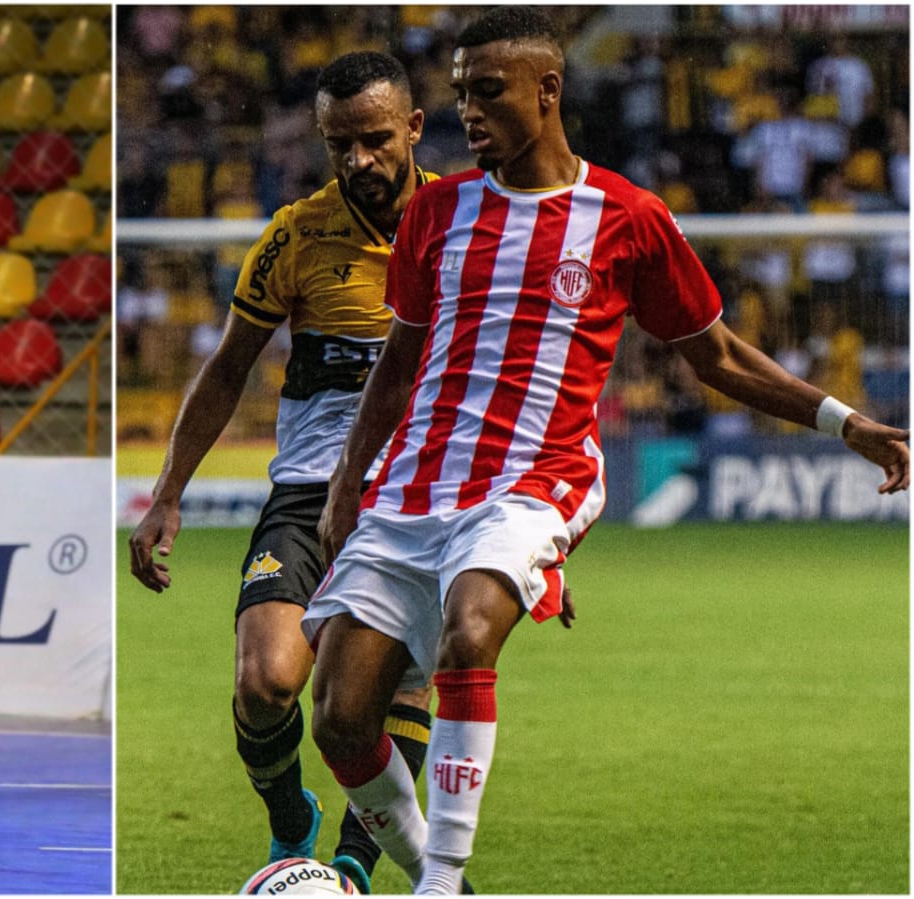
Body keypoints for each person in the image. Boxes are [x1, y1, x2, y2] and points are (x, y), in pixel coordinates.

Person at [302, 8, 909, 895]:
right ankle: (449, 881)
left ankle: (439, 881)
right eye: (462, 93)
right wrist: (347, 482)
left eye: (488, 92)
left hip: (537, 476)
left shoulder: (627, 217)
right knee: (340, 716)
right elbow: (397, 366)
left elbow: (717, 355)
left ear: (547, 92)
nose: (469, 112)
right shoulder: (434, 211)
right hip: (416, 482)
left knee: (470, 632)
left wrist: (843, 421)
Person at [130, 52, 468, 893]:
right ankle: (292, 823)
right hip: (312, 489)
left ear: (414, 130)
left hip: (417, 498)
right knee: (266, 679)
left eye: (375, 139)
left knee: (384, 692)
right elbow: (227, 369)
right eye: (339, 143)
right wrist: (167, 491)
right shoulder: (296, 235)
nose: (358, 160)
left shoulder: (465, 226)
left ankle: (351, 866)